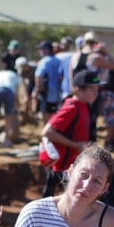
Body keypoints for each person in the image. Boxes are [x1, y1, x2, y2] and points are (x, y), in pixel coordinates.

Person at [41, 69, 101, 197]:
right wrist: (76, 145)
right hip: (64, 168)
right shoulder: (72, 107)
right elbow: (47, 131)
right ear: (79, 90)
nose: (96, 93)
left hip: (73, 166)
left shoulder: (84, 106)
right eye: (92, 90)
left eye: (97, 89)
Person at [0, 65, 21, 147]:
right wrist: (17, 105)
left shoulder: (0, 73)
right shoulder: (15, 76)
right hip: (9, 91)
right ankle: (7, 141)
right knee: (9, 117)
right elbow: (16, 94)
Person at [34, 40, 61, 124]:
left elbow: (38, 75)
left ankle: (47, 133)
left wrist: (37, 89)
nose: (39, 51)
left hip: (46, 93)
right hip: (56, 94)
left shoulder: (44, 61)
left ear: (47, 50)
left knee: (45, 114)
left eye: (41, 49)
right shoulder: (58, 61)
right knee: (53, 113)